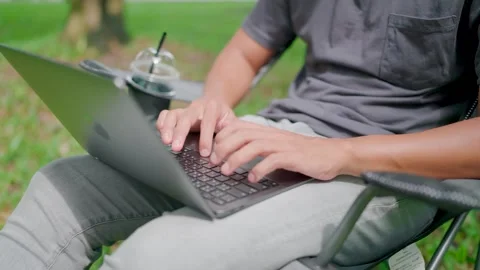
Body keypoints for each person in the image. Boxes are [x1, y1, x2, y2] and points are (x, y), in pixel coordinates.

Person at [1, 1, 480, 269]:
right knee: (62, 189)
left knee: (159, 255)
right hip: (280, 137)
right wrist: (213, 102)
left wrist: (339, 153)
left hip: (389, 172)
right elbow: (247, 52)